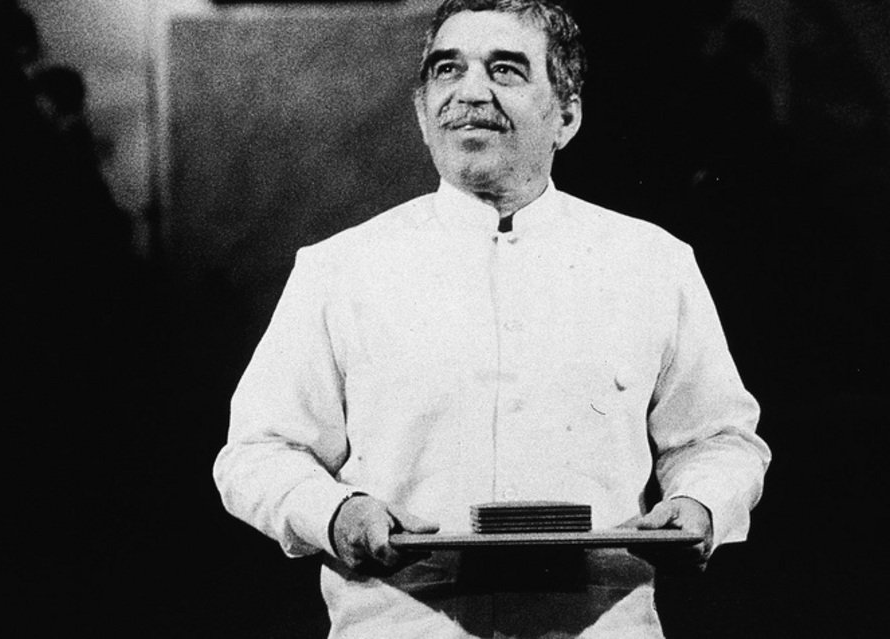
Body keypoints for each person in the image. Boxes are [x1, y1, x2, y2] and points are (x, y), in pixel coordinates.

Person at [213, 0, 770, 636]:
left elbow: (717, 438)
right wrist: (336, 513)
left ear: (566, 115)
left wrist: (700, 502)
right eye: (447, 70)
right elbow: (258, 452)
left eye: (505, 69)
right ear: (422, 113)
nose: (470, 92)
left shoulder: (653, 263)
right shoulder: (338, 269)